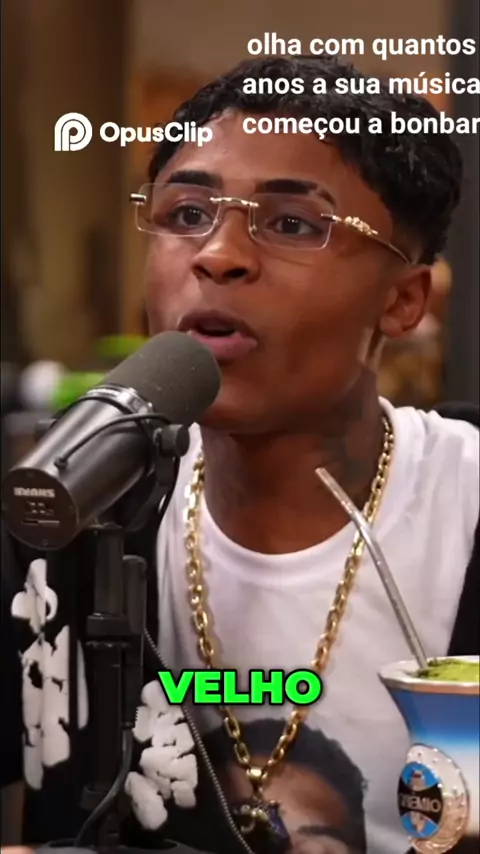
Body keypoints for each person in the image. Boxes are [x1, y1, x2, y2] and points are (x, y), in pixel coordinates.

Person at [1, 55, 478, 854]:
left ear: (402, 300)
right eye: (187, 213)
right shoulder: (73, 506)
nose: (218, 254)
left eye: (292, 224)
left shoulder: (465, 504)